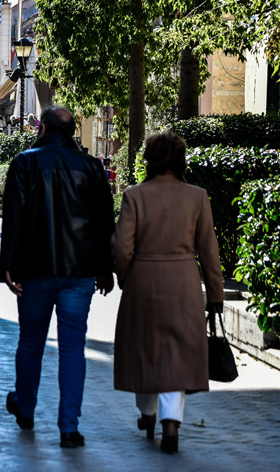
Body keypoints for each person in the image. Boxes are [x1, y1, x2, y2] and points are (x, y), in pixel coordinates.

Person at [0, 106, 115, 448]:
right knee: (72, 347)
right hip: (79, 271)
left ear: (43, 129)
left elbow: (14, 218)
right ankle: (69, 427)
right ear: (72, 131)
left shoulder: (25, 163)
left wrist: (9, 265)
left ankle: (25, 407)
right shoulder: (91, 167)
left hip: (35, 269)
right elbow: (104, 222)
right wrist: (105, 267)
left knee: (31, 341)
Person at [111, 131, 224, 454]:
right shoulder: (197, 197)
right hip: (184, 279)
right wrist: (215, 293)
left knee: (145, 348)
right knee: (177, 351)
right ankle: (171, 423)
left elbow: (121, 245)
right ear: (180, 161)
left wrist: (125, 276)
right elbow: (209, 251)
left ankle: (148, 413)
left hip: (142, 279)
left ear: (149, 161)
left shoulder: (135, 195)